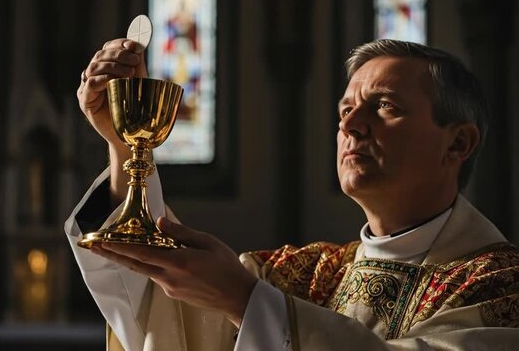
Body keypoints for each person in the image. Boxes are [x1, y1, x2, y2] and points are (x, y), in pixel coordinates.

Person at [65, 38, 519, 350]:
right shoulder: (312, 274)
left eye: (384, 106)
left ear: (458, 143)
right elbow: (166, 313)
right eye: (346, 109)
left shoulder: (497, 288)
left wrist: (245, 302)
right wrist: (126, 145)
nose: (350, 125)